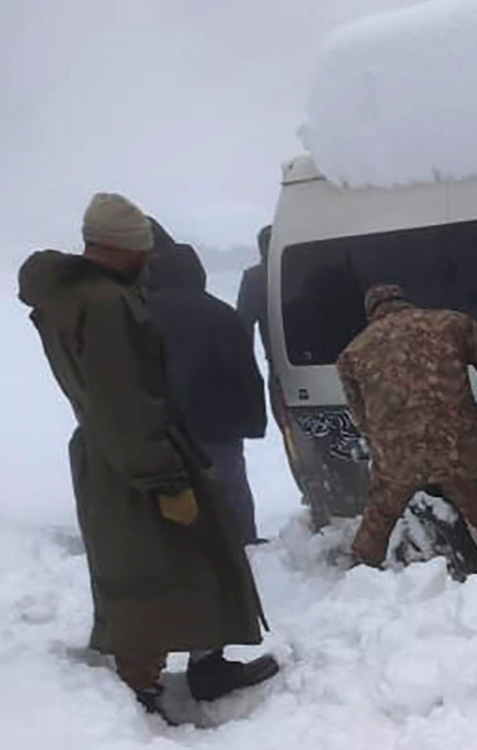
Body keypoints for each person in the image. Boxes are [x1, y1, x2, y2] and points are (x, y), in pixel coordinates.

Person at [18, 193, 277, 719]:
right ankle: (139, 690)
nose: (149, 259)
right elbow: (124, 401)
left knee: (175, 562)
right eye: (141, 249)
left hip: (115, 453)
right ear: (121, 248)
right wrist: (165, 479)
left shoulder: (72, 299)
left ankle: (198, 667)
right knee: (151, 571)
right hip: (135, 458)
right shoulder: (107, 305)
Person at [336, 285, 477, 585]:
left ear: (372, 313)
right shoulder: (452, 323)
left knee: (378, 521)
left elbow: (361, 415)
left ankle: (358, 583)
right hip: (459, 447)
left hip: (398, 456)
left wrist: (385, 442)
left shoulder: (354, 352)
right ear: (405, 301)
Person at [143, 243, 267, 545]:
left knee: (173, 493)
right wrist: (253, 421)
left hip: (163, 428)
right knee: (229, 488)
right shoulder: (221, 313)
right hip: (218, 425)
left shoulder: (142, 315)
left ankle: (185, 549)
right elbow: (246, 373)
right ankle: (241, 546)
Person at [236, 224, 322, 530]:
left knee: (297, 442)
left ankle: (317, 497)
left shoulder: (256, 278)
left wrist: (245, 378)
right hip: (340, 362)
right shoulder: (314, 269)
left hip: (285, 374)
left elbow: (242, 331)